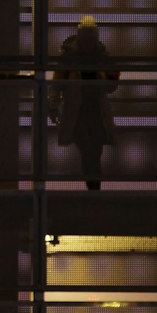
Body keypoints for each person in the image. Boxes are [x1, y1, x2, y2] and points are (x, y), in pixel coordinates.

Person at [48, 15, 120, 190]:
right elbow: (111, 86)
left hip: (84, 112)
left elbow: (57, 85)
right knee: (92, 152)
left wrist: (53, 105)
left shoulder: (70, 57)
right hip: (90, 112)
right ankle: (93, 188)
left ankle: (92, 187)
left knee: (90, 151)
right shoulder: (98, 56)